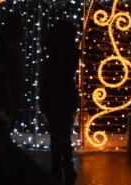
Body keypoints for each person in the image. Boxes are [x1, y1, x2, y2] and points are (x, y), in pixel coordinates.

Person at [41, 19, 80, 185]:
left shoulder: (52, 56)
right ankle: (66, 167)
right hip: (66, 95)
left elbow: (46, 79)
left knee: (57, 135)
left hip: (54, 95)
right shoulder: (71, 53)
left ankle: (58, 168)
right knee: (63, 134)